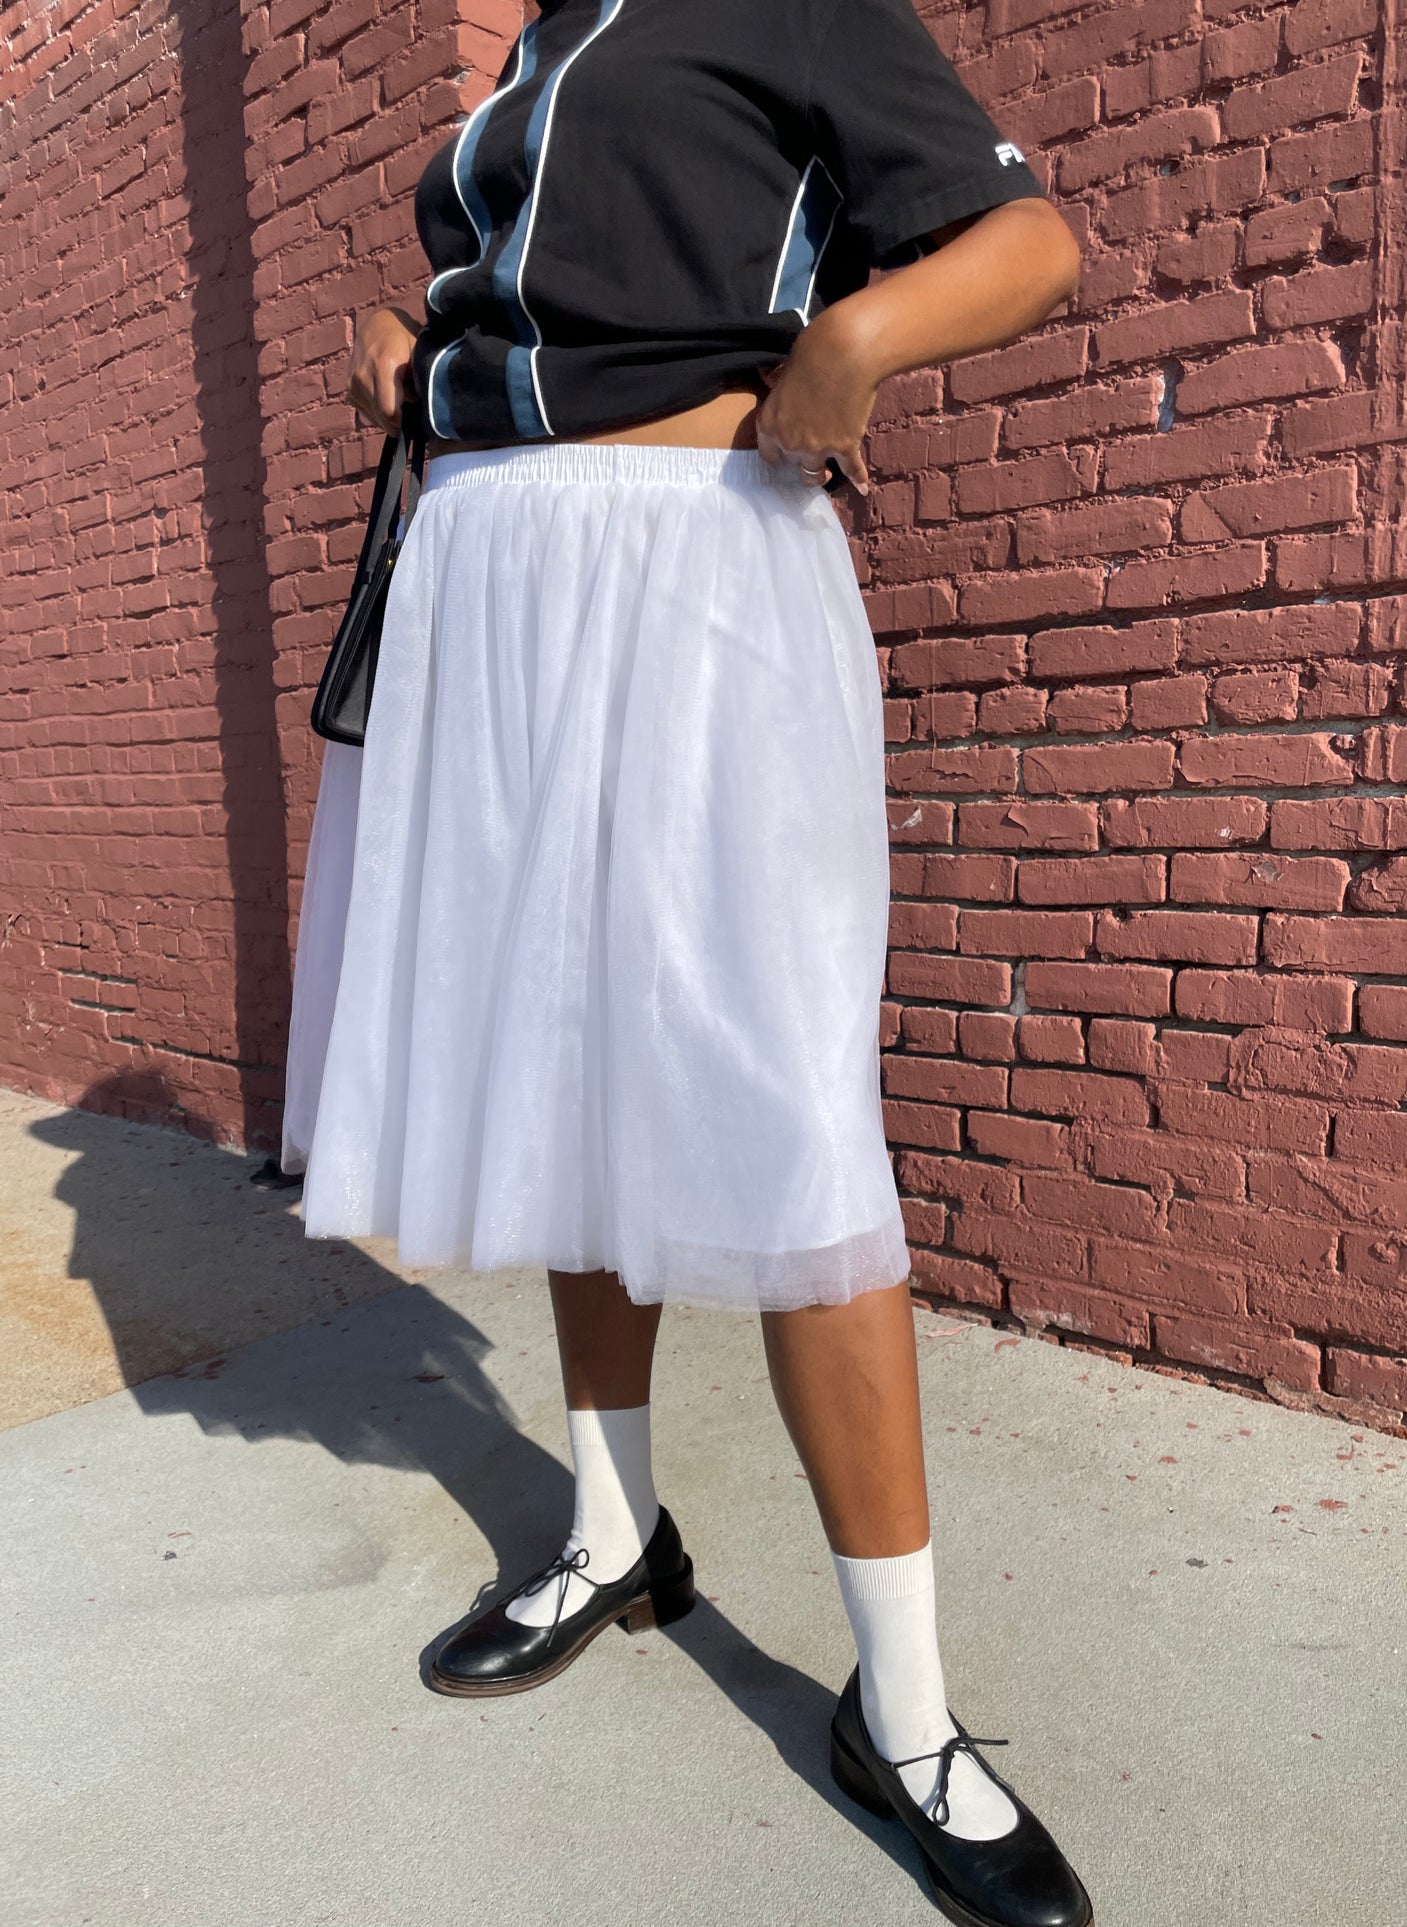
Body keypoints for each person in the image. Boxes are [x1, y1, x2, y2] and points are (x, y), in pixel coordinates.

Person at [280, 2, 1087, 1921]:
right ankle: (613, 1530)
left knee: (791, 1112)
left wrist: (857, 337)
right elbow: (537, 284)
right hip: (488, 584)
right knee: (565, 1075)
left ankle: (902, 1710)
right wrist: (409, 335)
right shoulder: (538, 58)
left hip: (692, 562)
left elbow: (1033, 240)